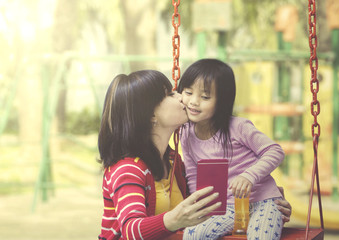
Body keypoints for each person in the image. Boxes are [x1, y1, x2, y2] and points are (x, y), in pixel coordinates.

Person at [97, 70, 222, 240]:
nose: (181, 97)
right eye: (170, 94)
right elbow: (131, 229)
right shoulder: (128, 169)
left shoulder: (172, 161)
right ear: (150, 114)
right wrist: (174, 219)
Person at [178, 59, 287, 240]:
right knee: (193, 234)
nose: (194, 102)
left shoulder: (238, 127)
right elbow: (192, 174)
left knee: (260, 237)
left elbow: (274, 151)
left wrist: (248, 176)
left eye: (205, 97)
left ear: (222, 101)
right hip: (226, 207)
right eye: (188, 92)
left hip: (263, 201)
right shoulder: (186, 133)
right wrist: (199, 207)